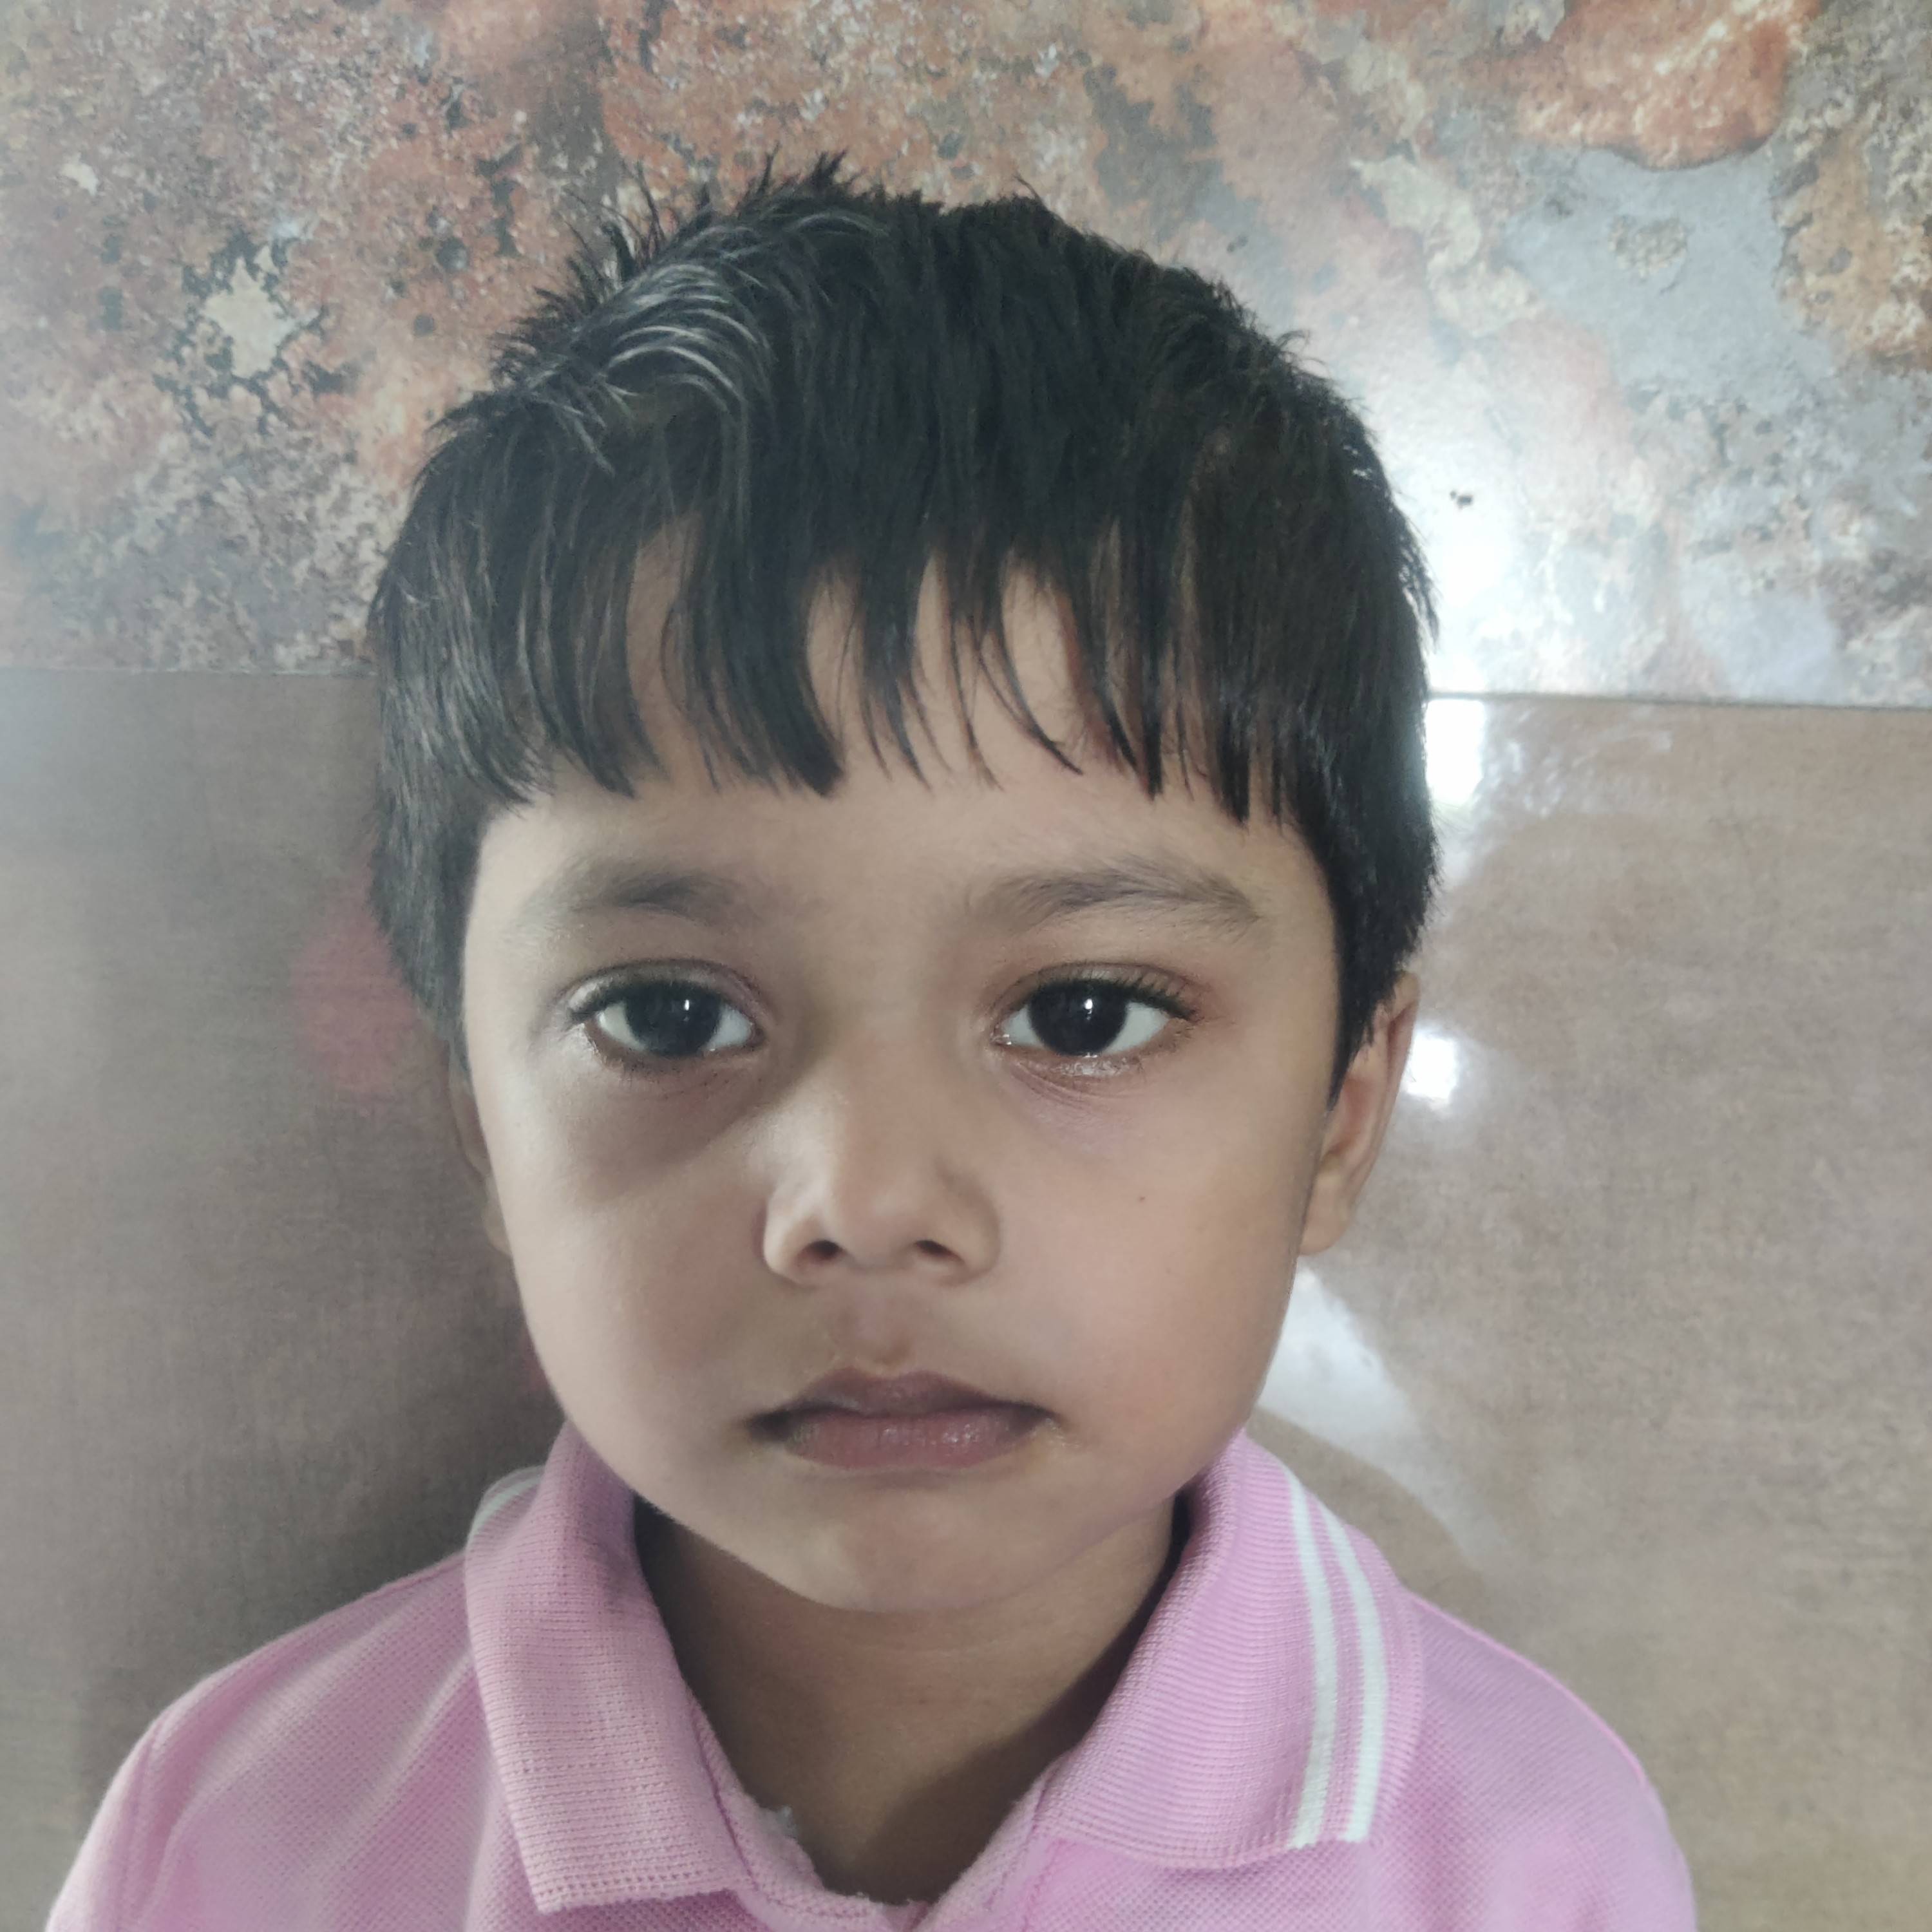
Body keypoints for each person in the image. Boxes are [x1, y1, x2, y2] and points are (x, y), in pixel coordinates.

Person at [48, 151, 1696, 1929]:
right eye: (671, 1014)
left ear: (1341, 1116)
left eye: (1084, 1014)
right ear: (476, 1115)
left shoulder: (1531, 1861)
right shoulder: (235, 1847)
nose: (869, 1201)